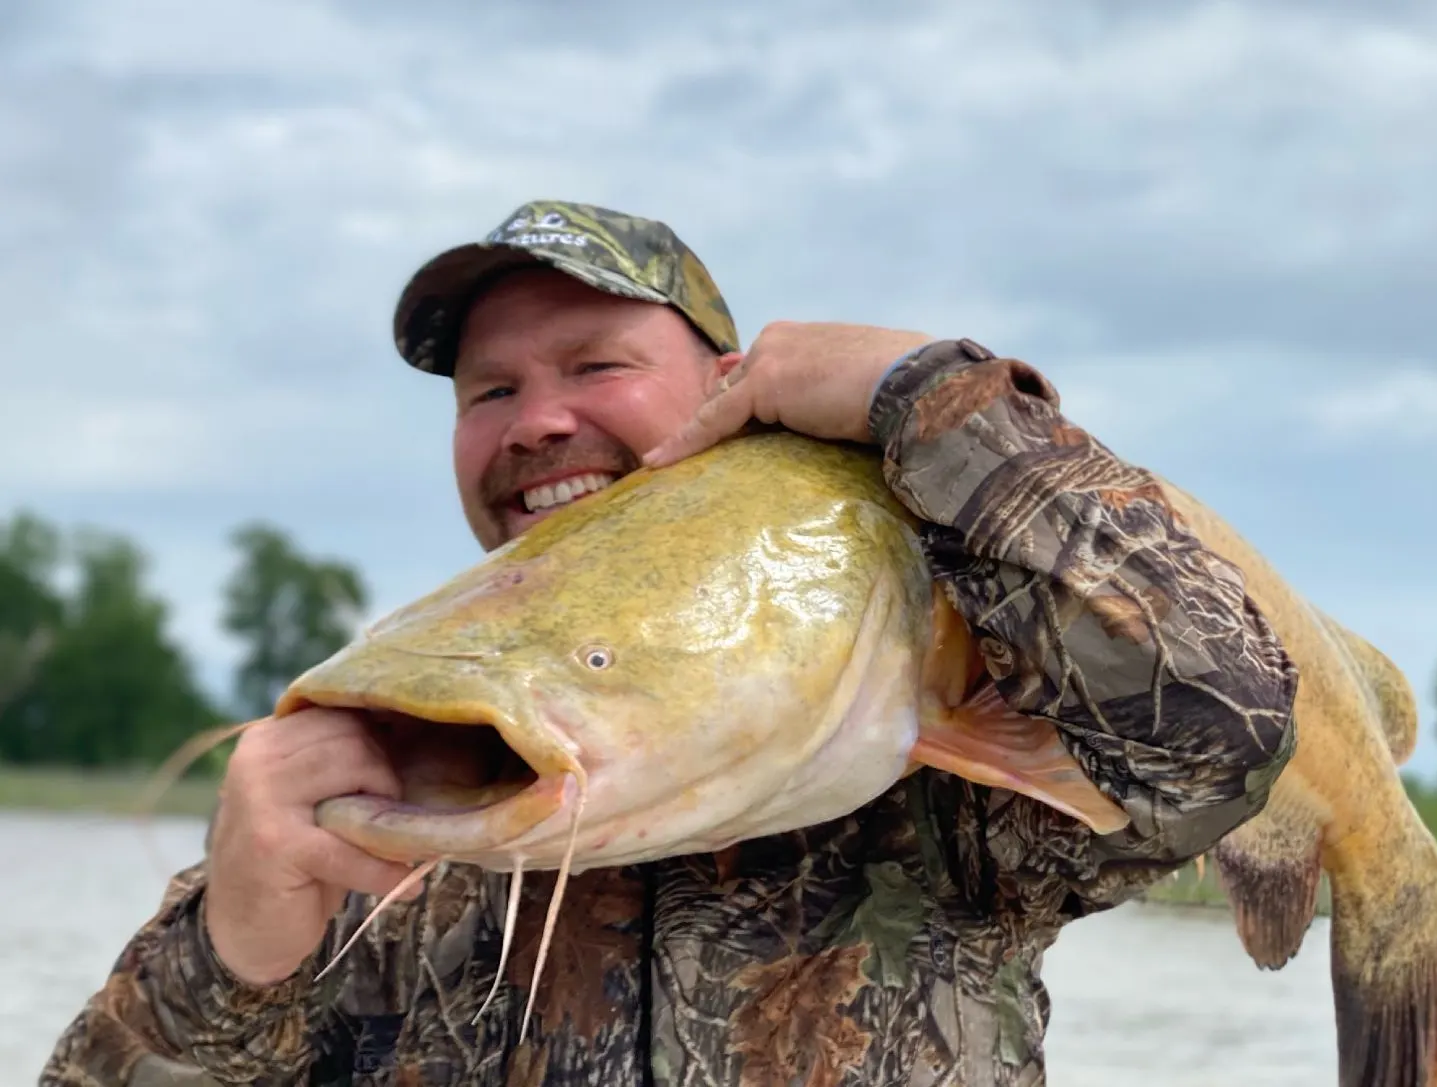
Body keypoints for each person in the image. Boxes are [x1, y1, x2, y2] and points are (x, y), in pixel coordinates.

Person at [41, 200, 1299, 1086]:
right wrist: (233, 954)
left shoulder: (936, 778)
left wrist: (927, 399)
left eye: (595, 362)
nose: (536, 423)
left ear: (736, 392)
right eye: (488, 391)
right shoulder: (371, 808)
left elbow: (1218, 725)